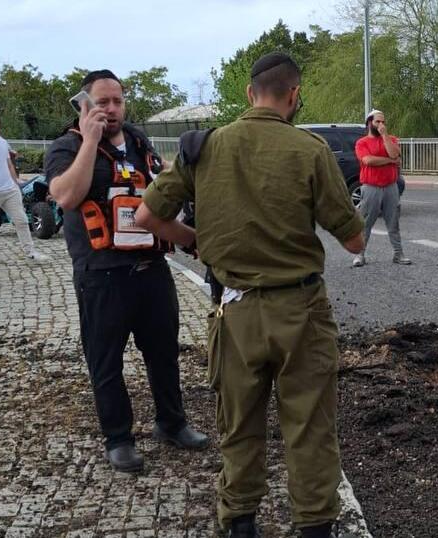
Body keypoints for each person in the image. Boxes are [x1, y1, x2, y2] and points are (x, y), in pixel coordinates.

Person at [135, 52, 365, 538]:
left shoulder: (205, 147)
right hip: (301, 313)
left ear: (248, 93)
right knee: (310, 429)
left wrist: (195, 240)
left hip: (234, 312)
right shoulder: (310, 150)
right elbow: (354, 239)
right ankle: (314, 528)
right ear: (294, 95)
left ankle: (240, 524)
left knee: (238, 427)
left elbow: (146, 218)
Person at [44, 69, 207, 473]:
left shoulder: (138, 141)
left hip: (152, 269)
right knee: (106, 362)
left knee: (164, 354)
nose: (112, 109)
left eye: (117, 101)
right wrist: (91, 140)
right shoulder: (66, 146)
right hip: (102, 275)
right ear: (85, 105)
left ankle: (172, 423)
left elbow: (162, 184)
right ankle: (118, 438)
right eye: (102, 103)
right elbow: (65, 196)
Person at [0, 113, 49, 269]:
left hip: (9, 189)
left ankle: (31, 252)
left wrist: (16, 182)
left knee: (22, 220)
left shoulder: (3, 142)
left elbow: (8, 164)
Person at [352, 110, 412, 267]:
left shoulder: (391, 139)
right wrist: (391, 161)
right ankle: (360, 255)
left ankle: (398, 255)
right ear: (369, 123)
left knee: (393, 222)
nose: (381, 125)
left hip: (391, 187)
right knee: (365, 223)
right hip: (370, 187)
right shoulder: (362, 142)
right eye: (378, 122)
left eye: (383, 122)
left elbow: (394, 154)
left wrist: (385, 136)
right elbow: (368, 160)